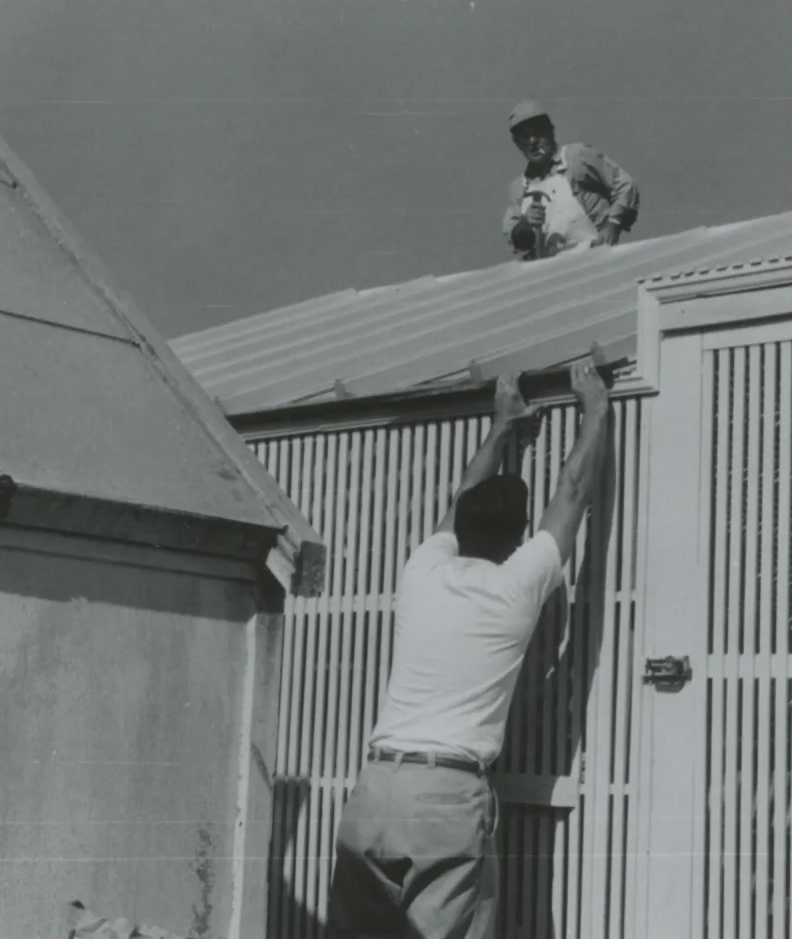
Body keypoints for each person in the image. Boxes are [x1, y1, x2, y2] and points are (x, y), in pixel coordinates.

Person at [325, 362, 612, 939]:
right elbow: (574, 493)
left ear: (459, 530)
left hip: (376, 788)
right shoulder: (515, 586)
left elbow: (461, 497)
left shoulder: (421, 570)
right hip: (447, 799)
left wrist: (501, 426)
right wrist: (597, 408)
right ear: (518, 537)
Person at [502, 100, 640, 260]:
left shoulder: (576, 157)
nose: (532, 142)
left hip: (595, 259)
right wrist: (524, 227)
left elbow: (624, 184)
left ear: (550, 131)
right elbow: (515, 240)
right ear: (517, 143)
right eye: (525, 137)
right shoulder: (519, 188)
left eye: (537, 132)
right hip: (550, 274)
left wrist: (613, 224)